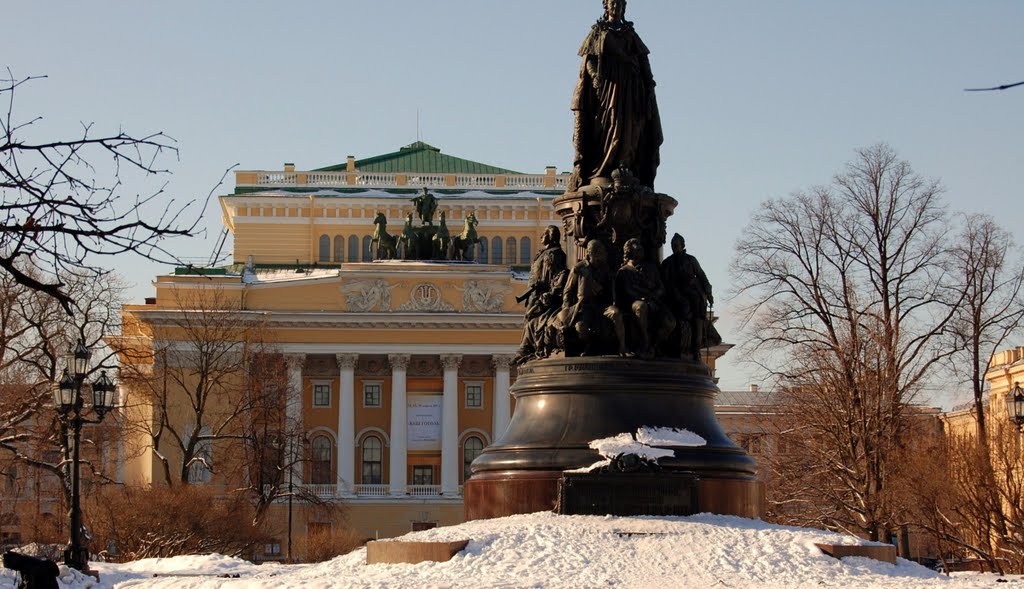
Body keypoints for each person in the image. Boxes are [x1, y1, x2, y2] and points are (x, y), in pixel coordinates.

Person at [567, 0, 663, 193]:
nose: (616, 7)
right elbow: (589, 60)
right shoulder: (599, 32)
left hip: (630, 89)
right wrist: (595, 78)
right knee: (609, 123)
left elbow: (644, 62)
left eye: (619, 3)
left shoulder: (630, 34)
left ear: (624, 7)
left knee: (629, 125)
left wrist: (649, 85)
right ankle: (603, 166)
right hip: (607, 88)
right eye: (612, 3)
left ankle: (625, 164)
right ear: (606, 6)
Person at [558, 239, 626, 356]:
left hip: (601, 306)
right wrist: (566, 309)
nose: (606, 254)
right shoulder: (579, 268)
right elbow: (568, 291)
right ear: (594, 253)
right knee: (580, 329)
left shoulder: (605, 269)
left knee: (616, 313)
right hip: (583, 307)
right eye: (603, 252)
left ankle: (623, 347)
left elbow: (611, 291)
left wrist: (606, 288)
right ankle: (590, 347)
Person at [514, 226, 568, 364]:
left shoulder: (553, 254)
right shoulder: (544, 253)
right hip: (536, 294)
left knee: (531, 318)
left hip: (543, 295)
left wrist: (547, 292)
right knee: (530, 318)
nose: (541, 236)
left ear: (551, 236)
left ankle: (527, 350)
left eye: (544, 234)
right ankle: (527, 350)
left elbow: (553, 278)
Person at [615, 237, 675, 357]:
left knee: (670, 322)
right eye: (637, 250)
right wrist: (646, 299)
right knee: (640, 307)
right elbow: (628, 291)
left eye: (641, 249)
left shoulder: (651, 268)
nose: (641, 252)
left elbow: (661, 288)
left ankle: (654, 344)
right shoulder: (624, 271)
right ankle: (644, 341)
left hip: (653, 301)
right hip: (634, 303)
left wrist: (652, 297)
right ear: (629, 252)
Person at [661, 233, 713, 360]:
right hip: (675, 295)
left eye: (677, 245)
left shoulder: (691, 260)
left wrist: (709, 293)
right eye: (673, 245)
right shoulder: (668, 262)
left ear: (683, 245)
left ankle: (695, 348)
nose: (674, 248)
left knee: (698, 317)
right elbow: (665, 283)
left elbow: (701, 275)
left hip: (693, 294)